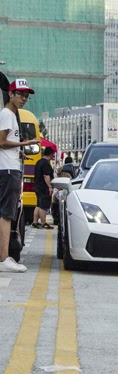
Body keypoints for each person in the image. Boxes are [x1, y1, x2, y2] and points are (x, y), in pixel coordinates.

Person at [0, 78, 39, 272]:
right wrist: (24, 144)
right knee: (7, 215)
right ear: (10, 94)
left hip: (9, 167)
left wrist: (19, 151)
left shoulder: (10, 115)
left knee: (6, 214)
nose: (24, 98)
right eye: (20, 94)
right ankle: (4, 259)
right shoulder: (7, 114)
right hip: (8, 170)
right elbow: (1, 142)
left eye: (26, 96)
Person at [32, 146, 55, 229]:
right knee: (43, 206)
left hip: (37, 186)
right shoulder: (46, 163)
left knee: (38, 204)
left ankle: (35, 222)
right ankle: (43, 222)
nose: (53, 156)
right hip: (43, 187)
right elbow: (46, 176)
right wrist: (49, 187)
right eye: (53, 155)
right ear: (50, 154)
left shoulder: (39, 162)